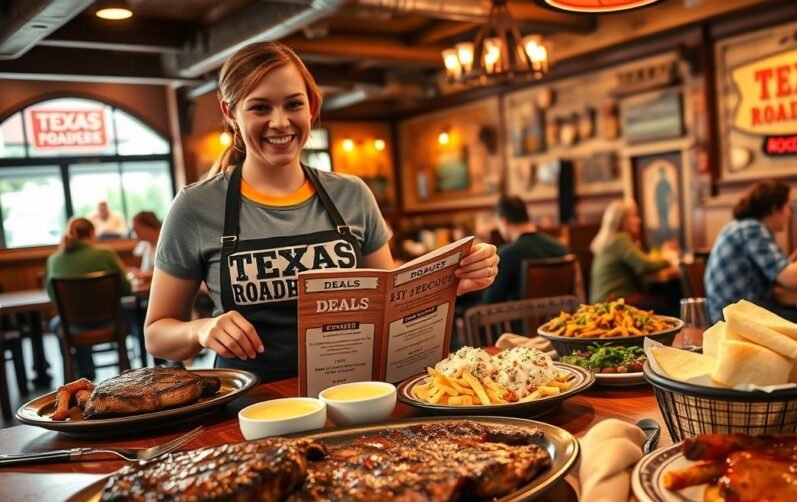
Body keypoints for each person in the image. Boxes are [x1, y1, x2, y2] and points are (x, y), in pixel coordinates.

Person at [145, 42, 498, 382]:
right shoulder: (195, 206)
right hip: (252, 406)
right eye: (260, 108)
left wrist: (453, 281)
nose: (280, 122)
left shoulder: (352, 194)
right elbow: (157, 334)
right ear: (230, 113)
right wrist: (202, 328)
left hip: (353, 394)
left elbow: (392, 308)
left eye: (293, 105)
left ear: (311, 106)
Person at [704, 179, 797, 323]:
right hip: (734, 320)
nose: (790, 214)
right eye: (788, 207)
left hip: (737, 314)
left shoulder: (741, 226)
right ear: (775, 209)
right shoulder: (752, 229)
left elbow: (779, 275)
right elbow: (793, 279)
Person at [44, 218, 132, 380]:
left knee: (57, 323)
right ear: (92, 233)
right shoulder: (105, 254)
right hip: (112, 322)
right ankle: (130, 373)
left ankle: (84, 373)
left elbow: (51, 296)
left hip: (72, 326)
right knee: (132, 316)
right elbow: (126, 289)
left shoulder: (54, 259)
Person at [589, 199, 677, 313]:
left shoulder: (611, 241)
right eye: (634, 217)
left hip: (601, 303)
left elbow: (642, 260)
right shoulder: (620, 239)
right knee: (670, 302)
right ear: (622, 220)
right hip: (613, 303)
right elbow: (644, 264)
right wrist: (668, 259)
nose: (639, 221)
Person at [481, 196, 568, 304]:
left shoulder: (507, 254)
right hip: (560, 317)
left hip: (520, 319)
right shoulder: (559, 247)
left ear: (504, 222)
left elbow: (490, 301)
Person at [131, 211, 161, 275]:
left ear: (149, 228)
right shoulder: (145, 244)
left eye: (136, 229)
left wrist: (149, 275)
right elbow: (145, 270)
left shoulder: (164, 245)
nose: (135, 234)